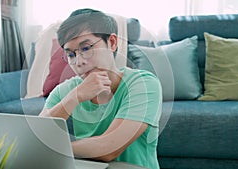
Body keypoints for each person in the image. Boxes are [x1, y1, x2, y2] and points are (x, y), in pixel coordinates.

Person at [39, 8, 162, 169]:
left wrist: (53, 148)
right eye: (71, 55)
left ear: (111, 43)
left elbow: (108, 148)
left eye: (86, 48)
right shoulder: (66, 90)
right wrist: (75, 97)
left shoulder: (144, 84)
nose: (79, 62)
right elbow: (37, 137)